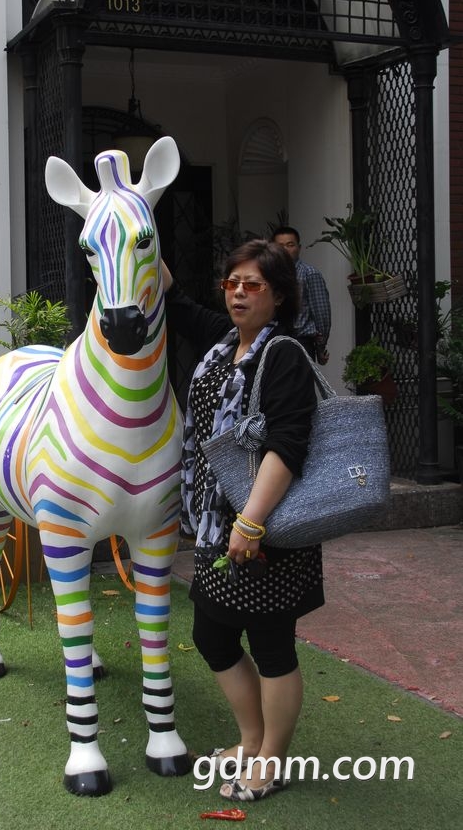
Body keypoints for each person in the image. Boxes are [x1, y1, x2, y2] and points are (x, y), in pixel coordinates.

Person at [162, 241, 324, 802]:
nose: (238, 292)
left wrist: (251, 522)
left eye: (253, 284)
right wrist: (134, 224)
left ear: (278, 295)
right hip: (217, 521)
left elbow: (287, 445)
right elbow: (177, 303)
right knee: (211, 633)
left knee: (272, 645)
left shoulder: (284, 354)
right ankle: (252, 740)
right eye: (232, 282)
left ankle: (271, 761)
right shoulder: (225, 343)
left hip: (267, 526)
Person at [271, 226, 331, 364]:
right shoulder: (267, 274)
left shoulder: (309, 273)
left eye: (290, 245)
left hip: (300, 342)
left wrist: (320, 347)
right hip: (272, 341)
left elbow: (322, 315)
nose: (285, 250)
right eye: (280, 246)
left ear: (299, 247)